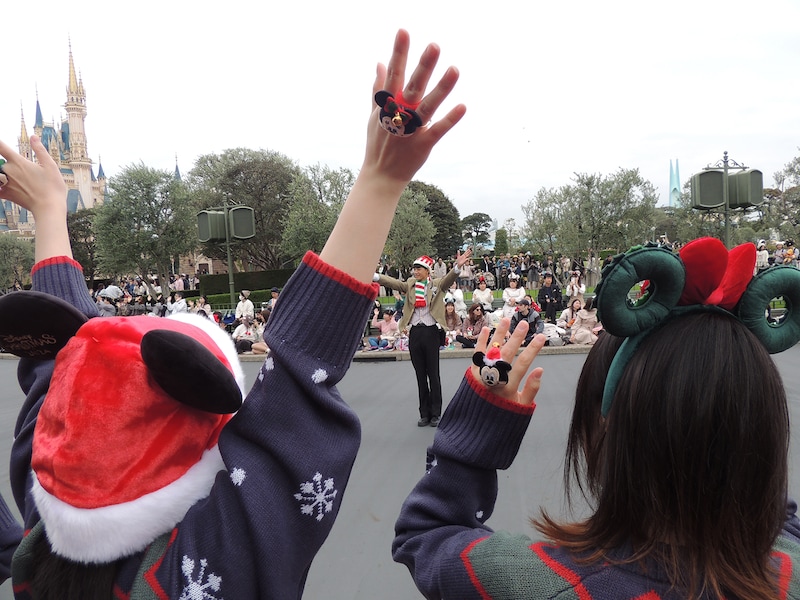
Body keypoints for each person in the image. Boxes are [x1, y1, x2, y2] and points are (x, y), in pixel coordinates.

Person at [0, 28, 466, 598]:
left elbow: (60, 371)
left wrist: (49, 212)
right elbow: (294, 385)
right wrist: (380, 180)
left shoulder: (40, 531)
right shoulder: (208, 565)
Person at [393, 237, 800, 599]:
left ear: (600, 434)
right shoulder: (789, 561)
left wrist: (479, 422)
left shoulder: (549, 584)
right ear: (761, 433)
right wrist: (728, 397)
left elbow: (427, 533)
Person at [377, 248, 473, 428]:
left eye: (419, 268)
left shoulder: (436, 284)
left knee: (433, 375)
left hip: (431, 332)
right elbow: (394, 283)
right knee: (420, 375)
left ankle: (436, 413)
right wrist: (376, 277)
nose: (415, 271)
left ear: (427, 271)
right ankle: (424, 414)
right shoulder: (411, 284)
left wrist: (457, 267)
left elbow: (449, 280)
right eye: (414, 268)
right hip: (415, 333)